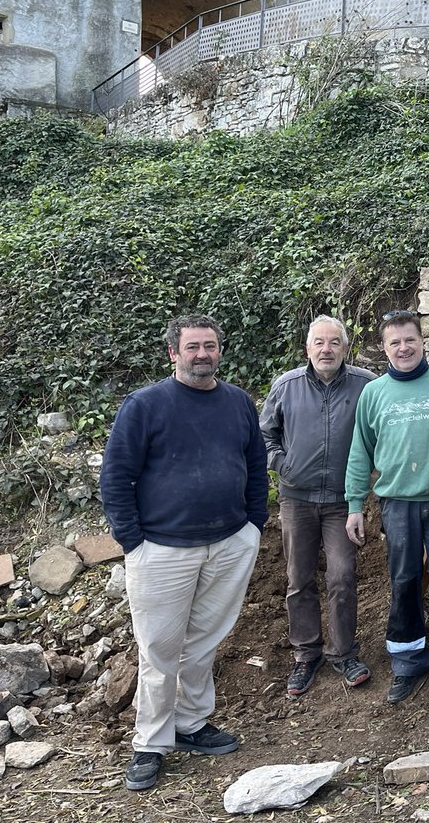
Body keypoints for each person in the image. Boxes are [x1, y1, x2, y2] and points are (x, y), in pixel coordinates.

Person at [100, 314, 268, 792]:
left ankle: (191, 723)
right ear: (173, 352)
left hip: (229, 543)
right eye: (192, 347)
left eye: (209, 346)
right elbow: (116, 476)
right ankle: (151, 742)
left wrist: (253, 524)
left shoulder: (238, 402)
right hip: (161, 549)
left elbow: (256, 464)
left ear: (220, 350)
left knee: (204, 641)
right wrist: (132, 540)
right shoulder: (145, 405)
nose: (202, 355)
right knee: (159, 649)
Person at [344, 310, 429, 714]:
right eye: (395, 342)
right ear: (384, 348)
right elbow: (360, 451)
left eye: (410, 340)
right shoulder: (374, 393)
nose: (403, 348)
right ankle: (407, 662)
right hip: (396, 503)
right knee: (403, 579)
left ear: (422, 341)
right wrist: (354, 504)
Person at [259, 315, 376, 698]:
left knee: (342, 576)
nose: (327, 349)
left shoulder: (365, 384)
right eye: (319, 343)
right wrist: (284, 464)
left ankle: (343, 653)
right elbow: (264, 435)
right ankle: (306, 655)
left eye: (334, 342)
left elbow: (381, 431)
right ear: (307, 348)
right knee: (299, 578)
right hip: (297, 499)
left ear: (346, 348)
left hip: (344, 501)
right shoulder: (287, 386)